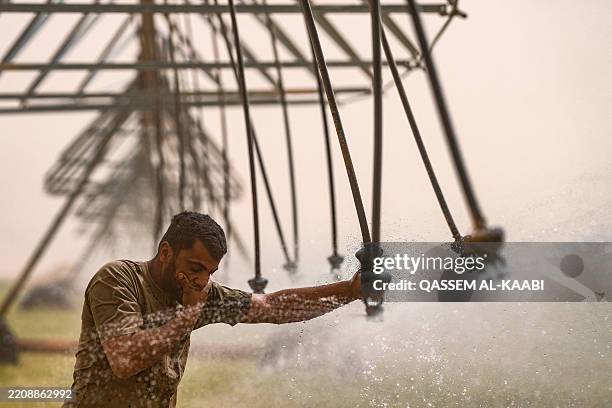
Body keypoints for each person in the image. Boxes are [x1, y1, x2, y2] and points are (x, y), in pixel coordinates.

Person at [64, 211, 362, 407]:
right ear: (166, 252)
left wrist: (348, 291)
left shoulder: (196, 291)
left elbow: (271, 306)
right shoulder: (118, 279)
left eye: (209, 271)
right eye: (195, 267)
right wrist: (189, 316)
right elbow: (125, 358)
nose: (202, 280)